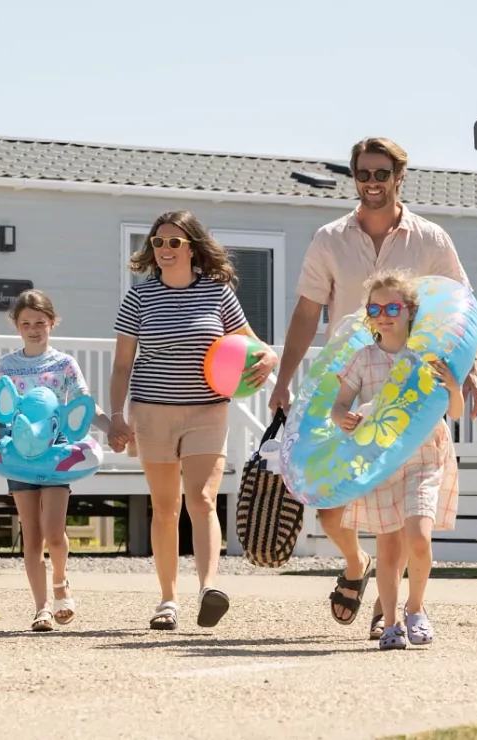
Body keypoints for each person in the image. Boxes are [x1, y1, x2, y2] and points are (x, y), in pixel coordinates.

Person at [267, 136, 477, 639]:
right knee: (330, 510)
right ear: (355, 178)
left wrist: (472, 371)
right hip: (355, 380)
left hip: (407, 394)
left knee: (404, 523)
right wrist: (284, 380)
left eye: (381, 174)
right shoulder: (329, 238)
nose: (372, 183)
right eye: (363, 174)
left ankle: (390, 611)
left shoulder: (429, 239)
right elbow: (306, 312)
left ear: (398, 177)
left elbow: (460, 311)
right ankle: (353, 563)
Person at [108, 209, 278, 631]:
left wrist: (270, 355)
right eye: (157, 242)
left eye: (173, 242)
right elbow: (121, 366)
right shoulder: (139, 297)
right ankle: (167, 600)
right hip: (152, 411)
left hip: (208, 410)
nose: (164, 249)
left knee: (202, 499)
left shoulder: (217, 293)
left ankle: (208, 588)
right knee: (165, 508)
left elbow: (250, 342)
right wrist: (115, 415)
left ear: (191, 247)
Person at [330, 268, 460, 650]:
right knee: (388, 546)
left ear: (409, 311)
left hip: (422, 454)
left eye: (392, 306)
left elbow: (452, 409)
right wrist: (344, 418)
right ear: (369, 315)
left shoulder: (426, 357)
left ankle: (416, 608)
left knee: (419, 538)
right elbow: (340, 406)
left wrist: (453, 385)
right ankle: (390, 623)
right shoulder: (363, 359)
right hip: (381, 458)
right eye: (375, 307)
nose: (384, 314)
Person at [0, 289, 113, 632]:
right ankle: (41, 608)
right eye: (26, 323)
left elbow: (84, 407)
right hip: (19, 455)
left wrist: (112, 428)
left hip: (56, 453)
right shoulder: (6, 365)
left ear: (52, 323)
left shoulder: (64, 364)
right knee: (31, 533)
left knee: (54, 533)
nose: (33, 329)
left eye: (40, 322)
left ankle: (61, 584)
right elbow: (3, 408)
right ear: (16, 326)